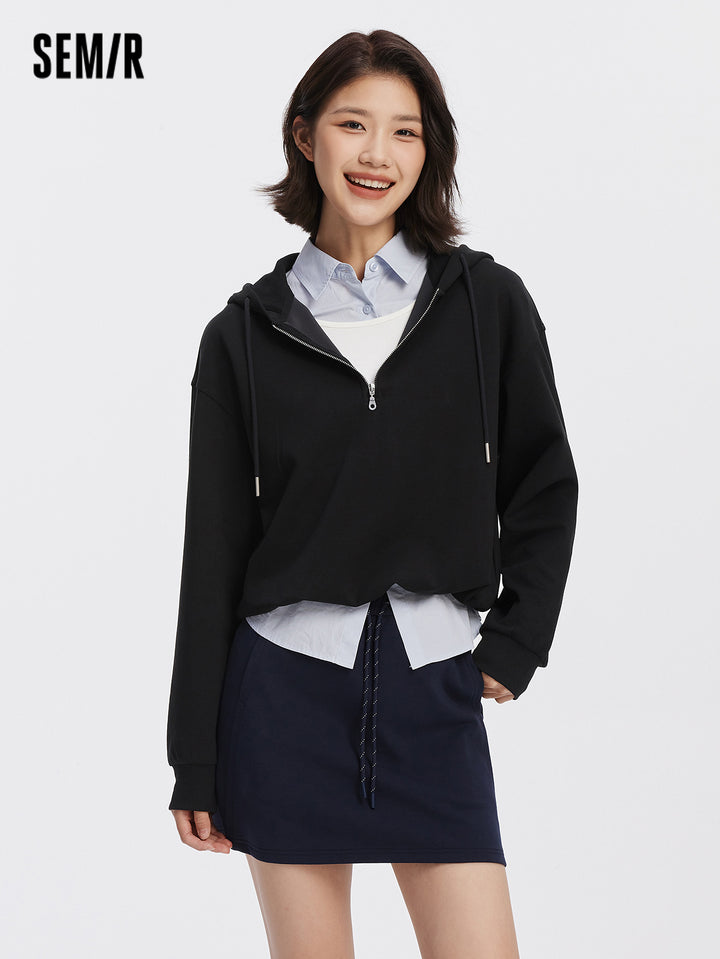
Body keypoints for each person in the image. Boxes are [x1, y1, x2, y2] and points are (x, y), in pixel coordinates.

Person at [166, 28, 578, 959]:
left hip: (436, 691)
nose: (377, 153)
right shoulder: (242, 336)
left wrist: (518, 641)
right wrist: (193, 752)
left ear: (430, 152)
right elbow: (212, 553)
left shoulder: (486, 304)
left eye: (406, 131)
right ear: (306, 135)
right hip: (282, 697)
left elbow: (545, 481)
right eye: (353, 124)